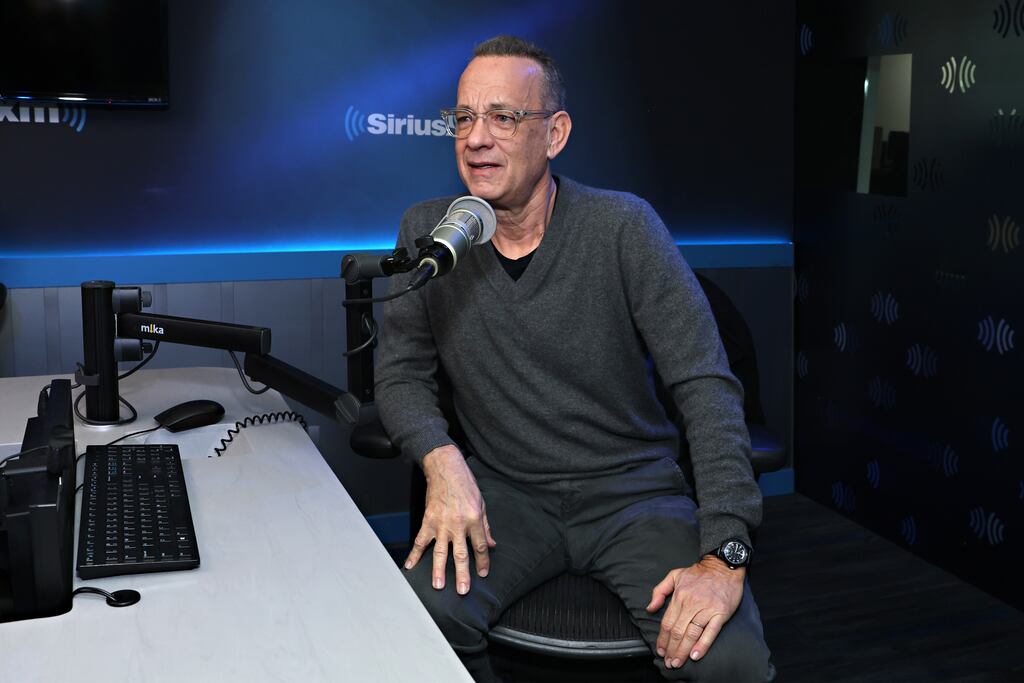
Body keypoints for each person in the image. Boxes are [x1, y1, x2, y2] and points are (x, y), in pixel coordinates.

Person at [375, 35, 774, 682]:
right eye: (464, 118)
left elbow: (707, 386)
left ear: (554, 133)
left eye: (503, 117)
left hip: (634, 494)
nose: (476, 138)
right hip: (505, 491)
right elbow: (399, 375)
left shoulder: (624, 228)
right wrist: (442, 460)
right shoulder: (431, 233)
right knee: (415, 615)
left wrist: (726, 551)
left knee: (729, 659)